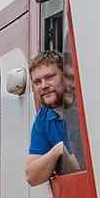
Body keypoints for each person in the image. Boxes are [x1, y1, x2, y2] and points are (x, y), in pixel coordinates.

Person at [25, 50, 84, 186]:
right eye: (37, 82)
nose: (44, 85)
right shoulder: (43, 117)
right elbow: (32, 177)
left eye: (50, 77)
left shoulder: (83, 108)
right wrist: (58, 150)